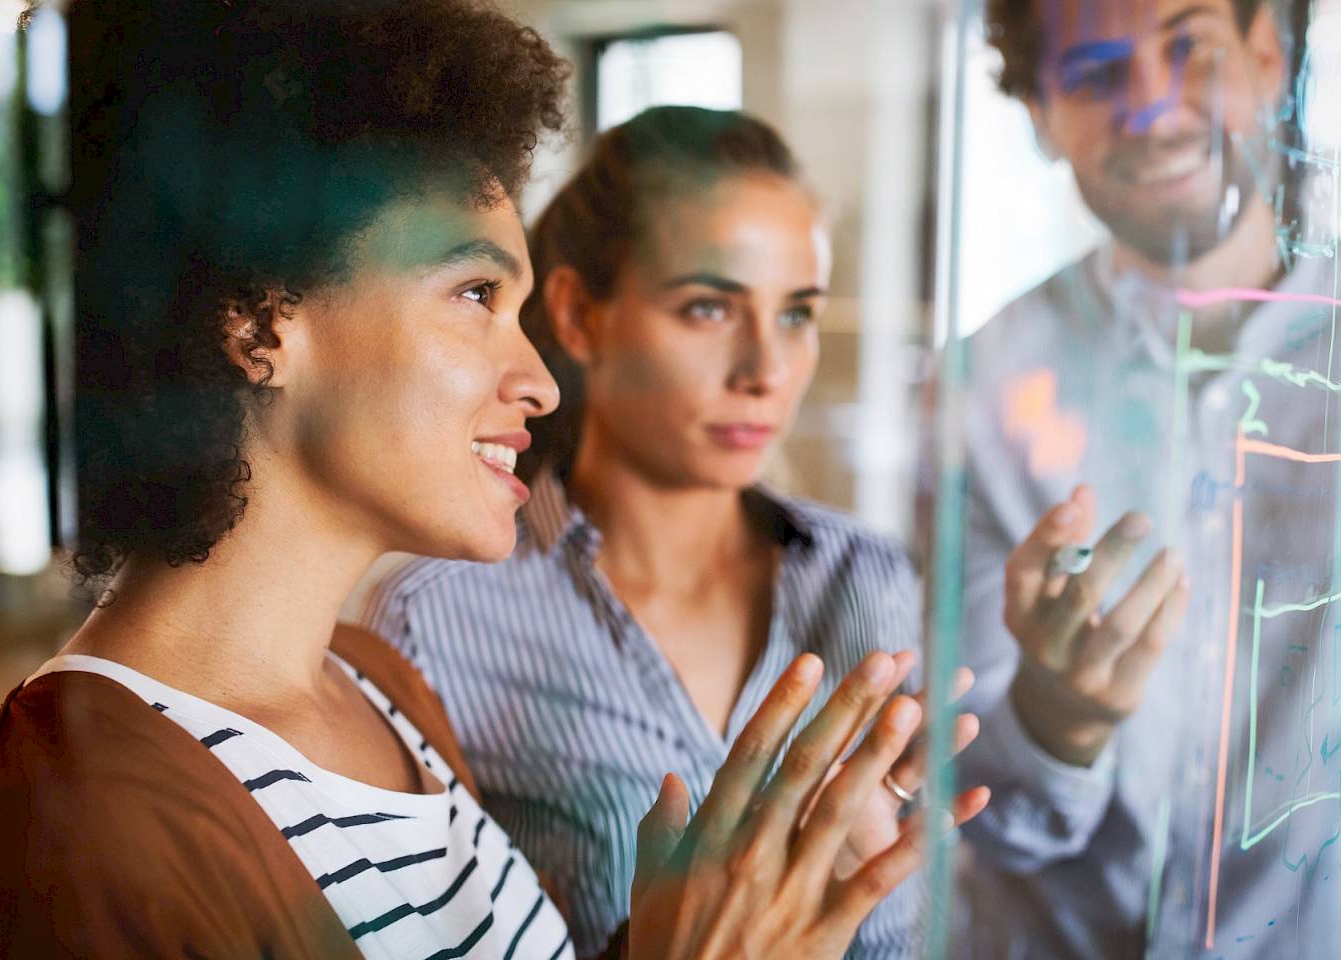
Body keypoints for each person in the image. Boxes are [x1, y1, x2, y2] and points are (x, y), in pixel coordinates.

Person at [0, 4, 976, 957]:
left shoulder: (377, 687)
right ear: (260, 315)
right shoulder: (74, 834)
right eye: (471, 293)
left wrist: (715, 918)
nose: (539, 383)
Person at [954, 0, 1341, 957]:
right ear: (1039, 115)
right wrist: (1055, 723)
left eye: (1189, 48)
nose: (1151, 110)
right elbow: (981, 816)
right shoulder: (980, 390)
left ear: (1268, 55)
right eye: (1097, 73)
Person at [363, 105, 990, 959]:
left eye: (798, 314)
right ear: (581, 315)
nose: (766, 370)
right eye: (708, 309)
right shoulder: (434, 618)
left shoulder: (871, 579)